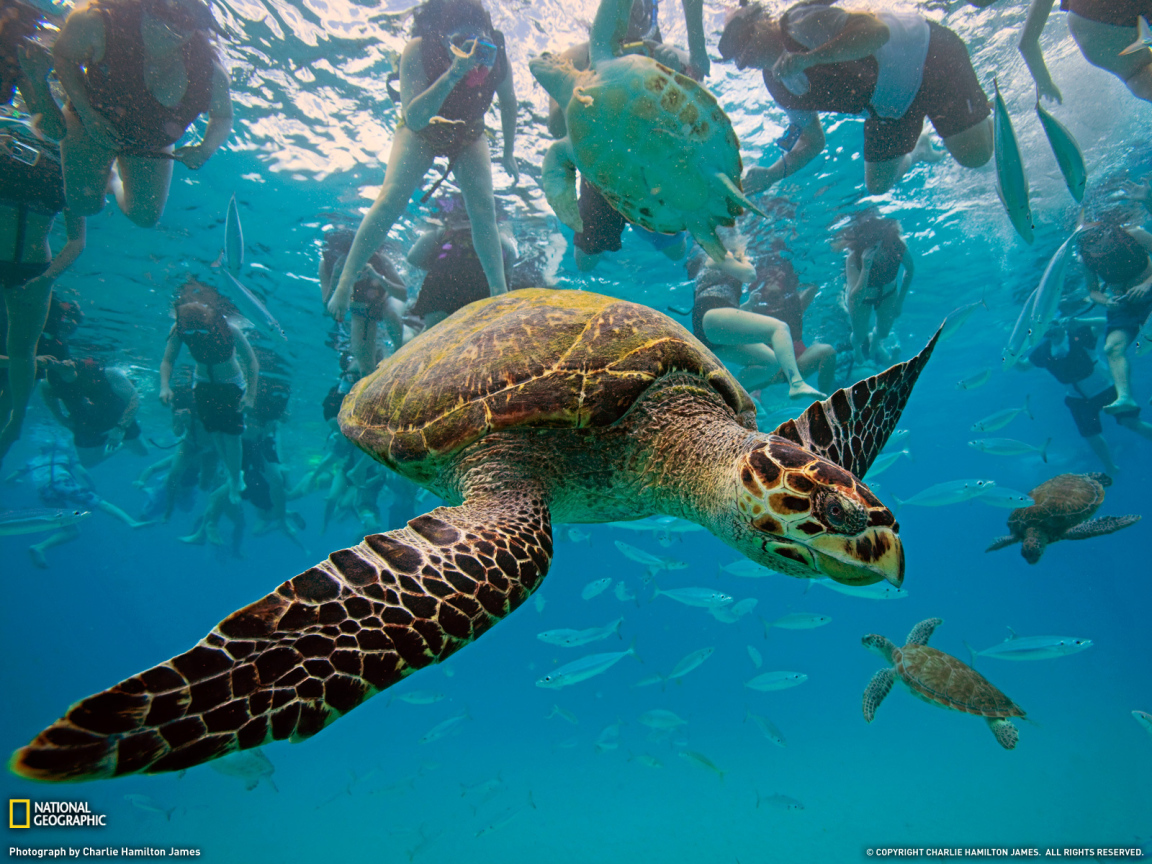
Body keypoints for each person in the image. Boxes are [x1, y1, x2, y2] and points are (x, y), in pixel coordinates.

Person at [328, 0, 516, 323]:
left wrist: (509, 153)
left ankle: (499, 293)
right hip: (422, 130)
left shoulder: (497, 54)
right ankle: (346, 281)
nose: (477, 62)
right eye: (463, 48)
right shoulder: (418, 49)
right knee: (390, 200)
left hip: (468, 132)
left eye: (482, 51)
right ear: (445, 43)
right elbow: (414, 118)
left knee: (483, 210)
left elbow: (509, 102)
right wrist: (453, 74)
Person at [717, 1, 992, 195]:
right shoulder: (779, 87)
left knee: (976, 156)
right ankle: (918, 151)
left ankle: (989, 108)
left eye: (743, 35)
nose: (743, 53)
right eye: (734, 52)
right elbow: (812, 141)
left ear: (763, 20)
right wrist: (772, 173)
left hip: (927, 56)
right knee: (878, 186)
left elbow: (877, 32)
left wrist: (810, 59)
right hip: (891, 108)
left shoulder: (799, 22)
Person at [543, 0, 704, 271]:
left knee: (678, 252)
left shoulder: (669, 55)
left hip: (652, 173)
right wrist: (580, 81)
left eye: (642, 9)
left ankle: (645, 225)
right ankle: (635, 222)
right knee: (584, 263)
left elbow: (698, 123)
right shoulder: (574, 58)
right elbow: (557, 129)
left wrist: (677, 74)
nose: (633, 17)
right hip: (602, 174)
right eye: (628, 7)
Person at [52, 0, 233, 228]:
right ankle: (103, 167)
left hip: (150, 141)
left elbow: (223, 116)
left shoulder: (208, 71)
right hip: (92, 122)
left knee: (145, 218)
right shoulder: (97, 22)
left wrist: (205, 150)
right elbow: (63, 56)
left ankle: (114, 179)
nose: (175, 28)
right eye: (168, 13)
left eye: (189, 22)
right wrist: (87, 114)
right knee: (84, 206)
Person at [1, 39, 86, 466]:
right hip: (30, 270)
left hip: (32, 270)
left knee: (22, 350)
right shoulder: (7, 138)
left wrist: (47, 280)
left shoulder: (68, 164)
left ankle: (15, 422)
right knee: (18, 350)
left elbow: (77, 239)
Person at [159, 281, 258, 504]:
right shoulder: (178, 329)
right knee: (214, 433)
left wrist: (250, 396)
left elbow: (251, 363)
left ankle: (234, 478)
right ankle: (234, 475)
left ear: (210, 313)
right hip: (202, 383)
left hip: (231, 383)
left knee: (231, 436)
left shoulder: (231, 329)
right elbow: (167, 360)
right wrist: (164, 386)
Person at [688, 250, 825, 400]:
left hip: (712, 326)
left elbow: (728, 311)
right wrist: (745, 256)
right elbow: (749, 275)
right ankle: (797, 383)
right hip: (710, 315)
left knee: (771, 363)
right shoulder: (717, 253)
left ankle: (724, 396)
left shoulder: (720, 264)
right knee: (779, 328)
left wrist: (749, 304)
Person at [1024, 319, 1152, 473]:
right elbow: (1023, 367)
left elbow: (1108, 324)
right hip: (1077, 399)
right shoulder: (1042, 351)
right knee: (1091, 435)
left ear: (1061, 323)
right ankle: (1110, 467)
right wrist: (1011, 352)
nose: (1050, 328)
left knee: (1131, 422)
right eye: (1046, 325)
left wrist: (1080, 321)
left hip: (1105, 389)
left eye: (1053, 323)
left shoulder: (1080, 333)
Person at [8, 439, 152, 568]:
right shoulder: (64, 455)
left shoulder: (32, 461)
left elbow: (9, 479)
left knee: (72, 530)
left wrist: (17, 482)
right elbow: (83, 472)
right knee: (102, 503)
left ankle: (39, 547)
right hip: (63, 483)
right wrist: (92, 487)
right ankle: (132, 522)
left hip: (44, 492)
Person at [407, 193, 517, 328]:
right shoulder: (490, 232)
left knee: (433, 334)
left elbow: (413, 257)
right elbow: (510, 252)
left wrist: (436, 265)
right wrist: (505, 274)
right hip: (480, 287)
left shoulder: (442, 232)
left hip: (441, 288)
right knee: (482, 333)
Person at [1078, 219, 1152, 414]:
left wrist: (1146, 284)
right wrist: (1106, 301)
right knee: (1111, 348)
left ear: (1107, 231)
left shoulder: (1133, 234)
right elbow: (1093, 291)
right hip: (1122, 303)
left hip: (1150, 292)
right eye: (1086, 241)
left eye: (1095, 237)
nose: (1093, 245)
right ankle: (1125, 397)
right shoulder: (1085, 258)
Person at [740, 249, 837, 394]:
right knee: (737, 390)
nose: (776, 280)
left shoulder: (795, 304)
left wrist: (804, 265)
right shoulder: (755, 310)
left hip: (798, 365)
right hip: (769, 371)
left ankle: (827, 401)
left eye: (779, 279)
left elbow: (815, 284)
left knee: (827, 351)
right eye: (770, 280)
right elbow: (736, 320)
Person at [1020, 0, 1152, 104]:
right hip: (1113, 20)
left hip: (1089, 27)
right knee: (1138, 69)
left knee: (1137, 73)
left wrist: (1044, 83)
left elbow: (1026, 44)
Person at [319, 227, 408, 379]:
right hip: (360, 310)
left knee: (392, 315)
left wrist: (377, 276)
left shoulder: (378, 259)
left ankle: (403, 363)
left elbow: (403, 294)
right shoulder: (327, 264)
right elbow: (328, 309)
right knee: (366, 370)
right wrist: (336, 278)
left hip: (385, 300)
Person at [835, 211, 913, 366]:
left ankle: (875, 340)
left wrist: (900, 301)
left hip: (889, 294)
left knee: (883, 333)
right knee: (859, 335)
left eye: (878, 232)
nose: (874, 240)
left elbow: (910, 269)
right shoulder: (854, 257)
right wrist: (866, 267)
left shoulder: (897, 246)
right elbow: (854, 297)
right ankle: (857, 348)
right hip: (862, 299)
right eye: (868, 233)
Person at [41, 356, 146, 467]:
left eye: (65, 366)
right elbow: (51, 403)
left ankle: (122, 442)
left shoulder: (107, 373)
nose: (64, 369)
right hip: (86, 422)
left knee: (142, 452)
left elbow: (134, 399)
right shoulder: (48, 384)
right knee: (88, 464)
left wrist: (120, 427)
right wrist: (62, 420)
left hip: (117, 417)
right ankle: (121, 447)